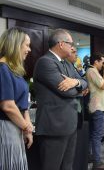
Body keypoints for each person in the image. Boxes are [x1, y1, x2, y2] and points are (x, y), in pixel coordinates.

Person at [33, 28, 88, 170]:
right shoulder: (45, 62)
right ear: (61, 44)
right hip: (54, 128)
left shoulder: (67, 63)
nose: (73, 47)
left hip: (70, 125)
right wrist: (79, 88)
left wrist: (75, 82)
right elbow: (67, 93)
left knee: (67, 166)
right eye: (71, 43)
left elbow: (84, 81)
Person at [0, 27, 33, 170]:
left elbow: (23, 105)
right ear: (15, 44)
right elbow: (8, 106)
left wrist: (27, 129)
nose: (29, 49)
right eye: (27, 45)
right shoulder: (2, 68)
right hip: (7, 127)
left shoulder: (15, 70)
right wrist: (26, 127)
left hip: (16, 126)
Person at [86, 53, 104, 170]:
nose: (103, 64)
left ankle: (91, 156)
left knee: (94, 134)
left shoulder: (94, 72)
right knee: (98, 135)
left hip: (97, 106)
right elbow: (103, 86)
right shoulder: (91, 71)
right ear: (95, 62)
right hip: (98, 107)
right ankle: (97, 163)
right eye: (102, 62)